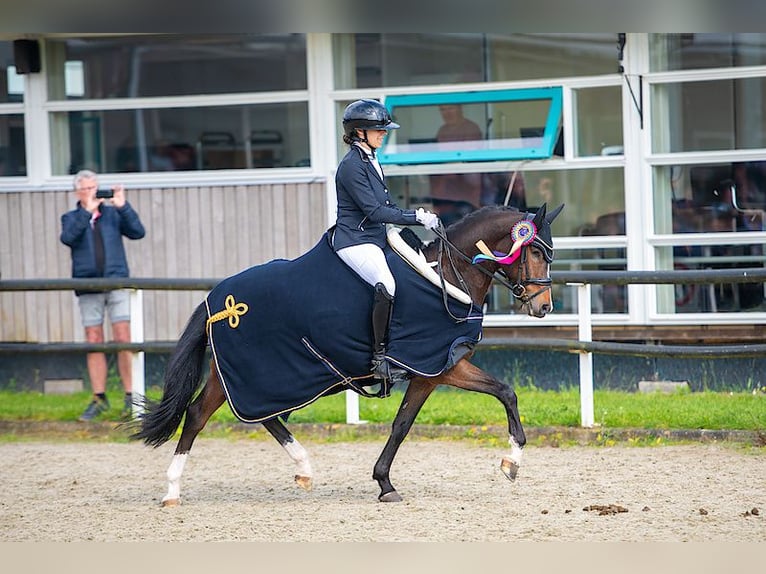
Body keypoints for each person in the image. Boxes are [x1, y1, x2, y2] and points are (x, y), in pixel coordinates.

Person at [333, 99, 440, 386]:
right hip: (355, 240)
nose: (384, 134)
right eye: (378, 130)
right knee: (387, 283)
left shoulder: (371, 157)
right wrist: (416, 216)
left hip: (376, 235)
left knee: (418, 264)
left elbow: (385, 205)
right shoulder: (351, 166)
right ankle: (379, 359)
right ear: (359, 132)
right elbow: (375, 211)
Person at [60, 170, 146, 421]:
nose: (93, 192)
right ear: (78, 192)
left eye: (95, 187)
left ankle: (131, 396)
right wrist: (86, 212)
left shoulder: (112, 215)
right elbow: (68, 238)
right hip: (88, 286)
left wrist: (123, 206)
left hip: (116, 283)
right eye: (87, 188)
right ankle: (99, 398)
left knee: (123, 337)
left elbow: (138, 232)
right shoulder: (71, 217)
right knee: (93, 339)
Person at [429, 104, 484, 226]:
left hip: (468, 195)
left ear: (460, 109)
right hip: (446, 196)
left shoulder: (471, 128)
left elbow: (471, 158)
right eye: (443, 109)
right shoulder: (442, 130)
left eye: (450, 108)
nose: (447, 113)